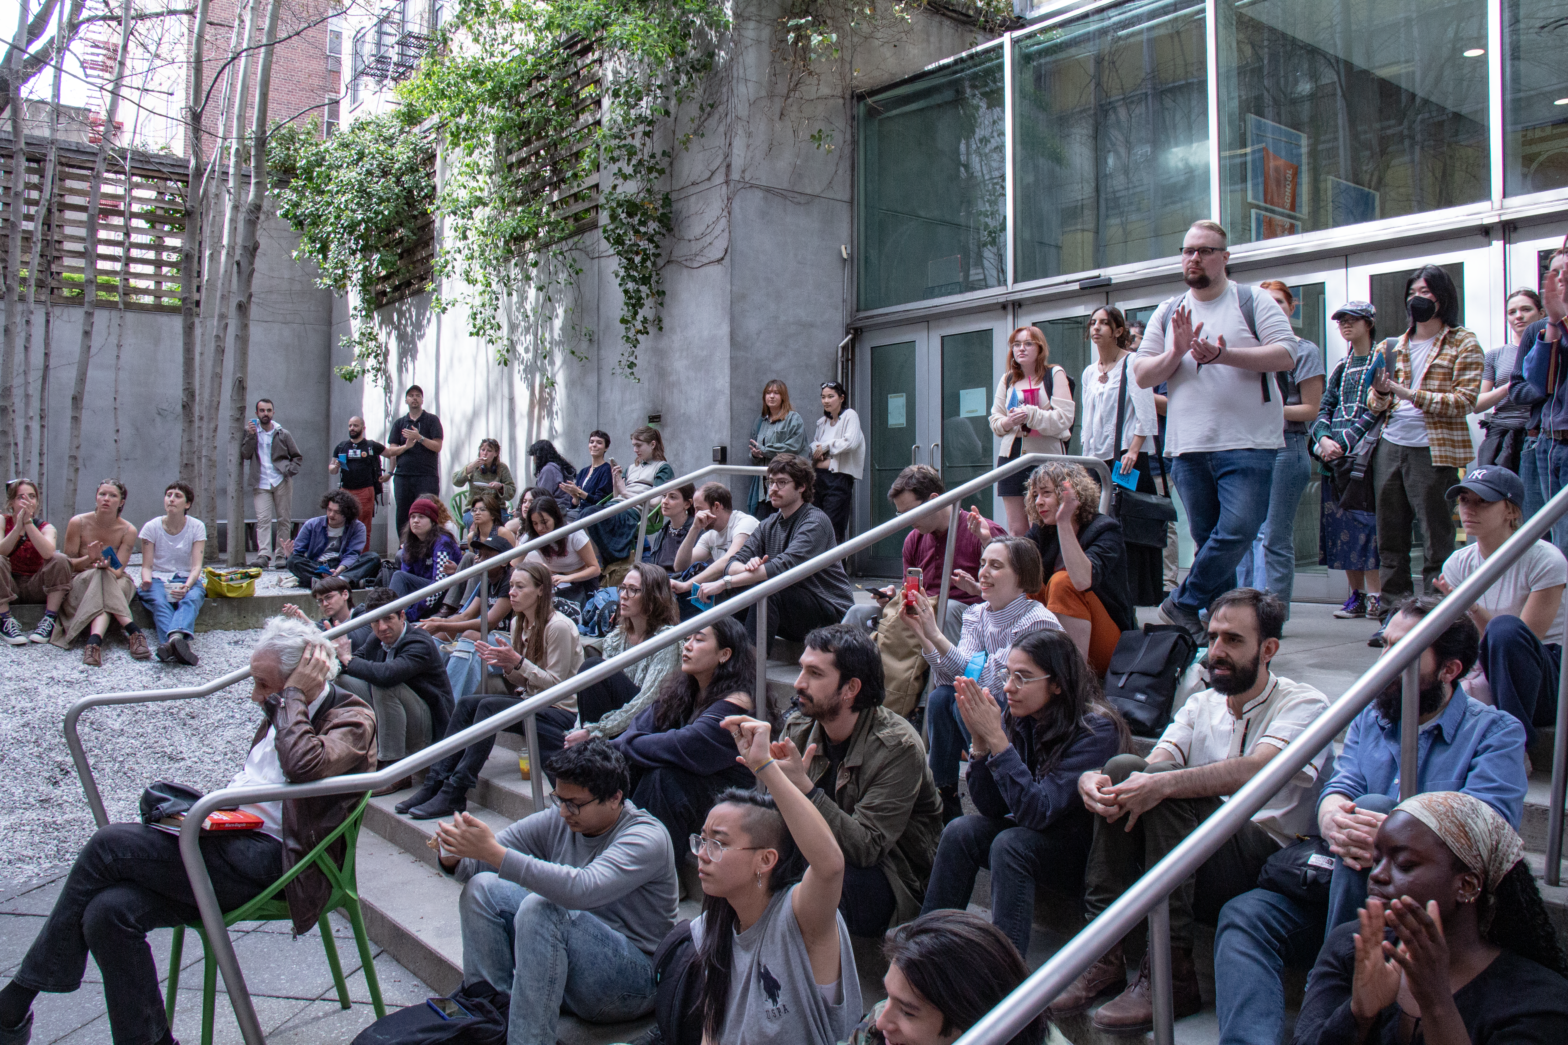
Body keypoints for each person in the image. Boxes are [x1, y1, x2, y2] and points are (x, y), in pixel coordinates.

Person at [0, 617, 374, 1045]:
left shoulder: (350, 717)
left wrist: (291, 698)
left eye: (264, 685)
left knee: (108, 846)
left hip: (282, 866)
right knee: (108, 912)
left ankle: (13, 1004)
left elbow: (302, 765)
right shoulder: (283, 704)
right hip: (232, 839)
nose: (257, 696)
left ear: (302, 678)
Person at [1211, 596, 1527, 1045]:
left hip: (1430, 907)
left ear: (1449, 670)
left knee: (1379, 808)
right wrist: (1332, 813)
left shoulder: (1495, 733)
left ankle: (1332, 1001)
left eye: (1402, 650)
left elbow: (1488, 831)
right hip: (1343, 882)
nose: (1384, 662)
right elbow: (1343, 782)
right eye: (1384, 645)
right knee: (1245, 915)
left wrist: (1395, 838)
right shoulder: (1372, 713)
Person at [1056, 589, 1329, 1032]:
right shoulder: (1202, 702)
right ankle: (1100, 950)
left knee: (1166, 791)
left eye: (1233, 641)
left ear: (1269, 649)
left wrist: (1160, 783)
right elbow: (1153, 765)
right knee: (1126, 767)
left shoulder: (1304, 704)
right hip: (1197, 856)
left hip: (1262, 862)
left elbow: (1258, 770)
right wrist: (1097, 781)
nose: (1216, 652)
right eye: (1214, 637)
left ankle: (1173, 968)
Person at [435, 739, 678, 1045]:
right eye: (558, 799)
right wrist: (454, 853)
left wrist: (494, 854)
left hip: (634, 981)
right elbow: (480, 865)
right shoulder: (561, 819)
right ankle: (489, 1020)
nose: (564, 812)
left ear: (615, 797)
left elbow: (581, 889)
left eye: (574, 803)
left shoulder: (646, 837)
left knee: (543, 909)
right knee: (483, 889)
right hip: (572, 961)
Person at [1132, 220, 1298, 644]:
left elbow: (1286, 354)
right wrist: (1177, 351)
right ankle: (1223, 637)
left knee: (1240, 529)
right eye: (1188, 250)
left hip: (1248, 443)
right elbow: (1142, 373)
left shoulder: (1253, 300)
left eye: (1205, 251)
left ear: (1225, 257)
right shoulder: (1168, 311)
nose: (1194, 258)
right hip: (1188, 447)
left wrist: (1223, 355)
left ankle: (1182, 604)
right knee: (1211, 545)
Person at [1292, 792, 1568, 1045]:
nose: (1377, 875)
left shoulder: (1538, 999)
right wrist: (1358, 1016)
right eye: (1376, 860)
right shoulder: (1351, 947)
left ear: (1467, 885)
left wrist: (1436, 1003)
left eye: (1405, 864)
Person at [920, 629, 1128, 957]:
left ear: (1057, 683)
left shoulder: (1097, 729)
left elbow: (1039, 812)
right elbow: (989, 807)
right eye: (1008, 674)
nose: (1007, 687)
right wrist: (979, 743)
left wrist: (998, 742)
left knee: (1010, 845)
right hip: (1038, 837)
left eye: (1023, 677)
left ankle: (1004, 975)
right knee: (961, 830)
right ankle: (926, 949)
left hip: (1083, 857)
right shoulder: (1023, 715)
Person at [687, 717, 862, 1045]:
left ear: (765, 860)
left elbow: (830, 865)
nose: (703, 854)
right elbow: (711, 1030)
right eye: (702, 840)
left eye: (719, 843)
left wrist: (765, 766)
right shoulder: (713, 926)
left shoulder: (798, 917)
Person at [773, 624, 943, 936]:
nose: (798, 683)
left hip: (890, 873)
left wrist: (804, 789)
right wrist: (762, 769)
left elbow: (867, 847)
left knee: (826, 882)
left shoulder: (898, 747)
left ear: (851, 688)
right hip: (822, 851)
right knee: (743, 849)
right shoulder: (799, 726)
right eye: (801, 670)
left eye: (815, 673)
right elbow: (776, 817)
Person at [401, 562, 584, 819]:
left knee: (488, 708)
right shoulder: (518, 623)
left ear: (541, 590)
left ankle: (456, 791)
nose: (512, 592)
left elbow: (558, 686)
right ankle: (435, 782)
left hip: (560, 710)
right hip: (532, 701)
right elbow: (525, 682)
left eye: (520, 587)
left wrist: (517, 662)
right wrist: (508, 667)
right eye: (511, 586)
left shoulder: (559, 627)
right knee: (467, 703)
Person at [907, 534, 1060, 823]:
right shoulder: (976, 614)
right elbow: (948, 678)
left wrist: (936, 635)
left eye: (996, 565)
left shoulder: (1036, 621)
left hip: (1031, 725)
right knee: (942, 697)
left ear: (1021, 575)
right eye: (982, 563)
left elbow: (990, 679)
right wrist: (922, 634)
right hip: (993, 706)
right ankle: (945, 798)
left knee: (964, 698)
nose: (983, 573)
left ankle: (997, 783)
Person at [1366, 264, 1483, 611]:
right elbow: (1374, 404)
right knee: (1390, 537)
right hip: (1391, 445)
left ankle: (1435, 615)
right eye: (1413, 293)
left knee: (1436, 538)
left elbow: (1465, 400)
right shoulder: (1390, 345)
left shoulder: (1463, 341)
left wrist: (1408, 393)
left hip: (1434, 450)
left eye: (1426, 293)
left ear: (1442, 298)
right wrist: (1383, 393)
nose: (1418, 299)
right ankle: (1392, 614)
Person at [1435, 465, 1565, 746]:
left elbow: (1524, 643)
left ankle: (1513, 744)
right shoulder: (1458, 563)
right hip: (1483, 668)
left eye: (1483, 502)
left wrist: (1469, 605)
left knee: (1506, 630)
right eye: (1465, 500)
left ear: (1512, 511)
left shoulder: (1546, 560)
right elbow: (1465, 642)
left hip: (1545, 675)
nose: (1469, 509)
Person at [612, 618, 757, 854]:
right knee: (630, 764)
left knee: (662, 777)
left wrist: (623, 744)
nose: (687, 645)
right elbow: (643, 723)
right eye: (687, 638)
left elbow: (686, 745)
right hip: (692, 788)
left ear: (725, 654)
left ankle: (655, 875)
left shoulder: (738, 703)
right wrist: (621, 746)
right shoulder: (686, 689)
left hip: (731, 798)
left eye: (699, 639)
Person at [699, 455, 854, 652]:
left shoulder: (816, 521)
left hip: (830, 612)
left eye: (781, 483)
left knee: (767, 588)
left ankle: (748, 670)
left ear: (801, 487)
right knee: (734, 590)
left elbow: (784, 567)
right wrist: (746, 568)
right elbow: (732, 562)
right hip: (792, 608)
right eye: (771, 482)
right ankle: (724, 657)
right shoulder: (769, 524)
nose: (773, 488)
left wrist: (725, 581)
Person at [1235, 281, 1325, 615]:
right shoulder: (1249, 351)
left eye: (1278, 302)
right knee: (1243, 534)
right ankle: (1242, 611)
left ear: (1292, 306)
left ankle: (1270, 614)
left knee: (1272, 535)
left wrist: (1263, 409)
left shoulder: (1304, 350)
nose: (1271, 308)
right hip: (1250, 447)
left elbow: (1311, 409)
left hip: (1287, 446)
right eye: (1264, 304)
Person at [841, 910, 1048, 1045]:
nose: (882, 1022)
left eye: (907, 1012)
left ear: (969, 1021)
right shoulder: (875, 1031)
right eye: (888, 995)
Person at [1004, 462, 1135, 674]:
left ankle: (1074, 681)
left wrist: (1065, 521)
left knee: (1062, 582)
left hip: (1111, 643)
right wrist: (986, 541)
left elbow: (1082, 580)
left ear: (1072, 493)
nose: (1038, 502)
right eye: (1035, 495)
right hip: (1060, 638)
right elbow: (1015, 564)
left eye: (1046, 493)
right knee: (1025, 582)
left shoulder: (1105, 529)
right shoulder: (1043, 531)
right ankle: (1025, 668)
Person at [850, 465, 1002, 644]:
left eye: (911, 513)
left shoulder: (983, 532)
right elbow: (911, 594)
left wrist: (985, 549)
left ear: (934, 500)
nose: (908, 521)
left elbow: (1009, 592)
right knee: (858, 614)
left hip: (968, 620)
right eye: (902, 515)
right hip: (922, 615)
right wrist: (895, 599)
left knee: (946, 610)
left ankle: (949, 671)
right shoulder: (913, 540)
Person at [1078, 305, 1162, 605]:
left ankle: (1132, 591)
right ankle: (1102, 587)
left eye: (1104, 323)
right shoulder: (1090, 373)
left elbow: (1146, 413)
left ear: (1118, 330)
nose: (1096, 328)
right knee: (1095, 524)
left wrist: (1135, 449)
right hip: (1094, 460)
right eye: (1093, 323)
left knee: (1127, 524)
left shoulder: (1133, 364)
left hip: (1125, 458)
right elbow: (1088, 419)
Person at [333, 586, 455, 789]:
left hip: (429, 729)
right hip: (398, 717)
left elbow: (386, 675)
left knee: (384, 685)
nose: (382, 628)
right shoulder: (376, 638)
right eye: (375, 621)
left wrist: (347, 658)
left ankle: (395, 769)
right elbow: (352, 666)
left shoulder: (419, 642)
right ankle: (362, 750)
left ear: (402, 616)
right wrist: (332, 658)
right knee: (342, 681)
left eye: (388, 618)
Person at [1311, 301, 1385, 622]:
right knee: (1340, 527)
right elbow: (1324, 407)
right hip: (1334, 461)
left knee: (1367, 527)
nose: (1344, 325)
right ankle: (1355, 595)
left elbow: (1377, 408)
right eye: (1341, 321)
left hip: (1364, 459)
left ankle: (1377, 597)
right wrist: (1324, 439)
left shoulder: (1380, 361)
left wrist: (1344, 441)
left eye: (1352, 320)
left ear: (1368, 323)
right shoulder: (1340, 367)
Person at [563, 562, 683, 743]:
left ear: (653, 597)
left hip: (649, 723)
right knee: (542, 720)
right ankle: (582, 752)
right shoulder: (615, 638)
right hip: (611, 720)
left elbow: (648, 701)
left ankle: (588, 753)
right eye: (622, 588)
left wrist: (596, 731)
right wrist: (579, 729)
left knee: (592, 667)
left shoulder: (666, 640)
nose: (623, 596)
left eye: (633, 590)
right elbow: (593, 694)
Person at [50, 479, 147, 664]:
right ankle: (134, 631)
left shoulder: (128, 529)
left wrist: (105, 566)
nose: (106, 499)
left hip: (115, 579)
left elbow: (118, 572)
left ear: (122, 502)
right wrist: (90, 558)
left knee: (104, 576)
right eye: (102, 494)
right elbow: (68, 565)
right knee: (99, 576)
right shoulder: (78, 522)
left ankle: (94, 642)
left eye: (112, 495)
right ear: (96, 497)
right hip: (82, 580)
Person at [991, 326, 1075, 535]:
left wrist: (1032, 414)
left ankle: (1049, 567)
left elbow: (1064, 418)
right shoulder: (1007, 379)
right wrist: (1009, 422)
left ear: (1040, 348)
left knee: (1045, 524)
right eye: (1016, 344)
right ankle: (1021, 567)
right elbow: (995, 419)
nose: (1022, 349)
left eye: (1028, 343)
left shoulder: (1054, 373)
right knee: (1017, 528)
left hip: (1046, 455)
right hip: (1011, 454)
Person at [1521, 246, 1568, 553]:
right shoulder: (1547, 327)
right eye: (1556, 272)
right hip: (1551, 445)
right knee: (1556, 544)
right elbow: (1539, 383)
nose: (1561, 279)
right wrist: (1552, 323)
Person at [136, 481, 207, 666]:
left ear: (187, 504)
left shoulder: (197, 526)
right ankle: (177, 643)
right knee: (160, 602)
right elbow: (146, 566)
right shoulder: (151, 527)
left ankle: (171, 641)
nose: (171, 499)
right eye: (168, 495)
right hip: (158, 577)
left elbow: (196, 566)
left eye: (177, 496)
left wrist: (187, 586)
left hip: (185, 577)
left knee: (191, 598)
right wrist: (146, 581)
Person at [1476, 289, 1544, 475]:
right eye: (1512, 312)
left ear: (1541, 313)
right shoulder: (1494, 356)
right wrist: (1512, 385)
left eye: (1526, 309)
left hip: (1539, 434)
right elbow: (1477, 404)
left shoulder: (1550, 351)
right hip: (1501, 437)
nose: (1518, 316)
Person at [0, 478, 71, 646]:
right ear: (11, 502)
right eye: (20, 497)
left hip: (37, 585)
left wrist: (28, 524)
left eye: (31, 497)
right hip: (8, 584)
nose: (27, 501)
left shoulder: (47, 527)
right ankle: (5, 620)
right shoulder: (2, 521)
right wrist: (18, 527)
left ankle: (49, 620)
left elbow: (48, 553)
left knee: (60, 559)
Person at [588, 426, 675, 562]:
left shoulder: (662, 468)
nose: (635, 450)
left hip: (636, 512)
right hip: (617, 507)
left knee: (592, 517)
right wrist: (616, 481)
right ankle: (601, 562)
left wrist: (625, 492)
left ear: (652, 444)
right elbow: (617, 497)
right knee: (586, 514)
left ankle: (611, 559)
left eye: (639, 446)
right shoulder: (631, 468)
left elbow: (654, 503)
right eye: (634, 446)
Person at [671, 482, 758, 612]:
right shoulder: (711, 534)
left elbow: (730, 560)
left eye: (699, 509)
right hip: (728, 595)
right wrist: (694, 528)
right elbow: (680, 566)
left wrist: (686, 586)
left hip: (753, 595)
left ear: (716, 506)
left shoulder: (745, 523)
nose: (696, 515)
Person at [240, 397, 304, 568]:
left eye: (268, 410)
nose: (265, 414)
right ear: (256, 413)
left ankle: (281, 555)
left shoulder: (282, 433)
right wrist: (251, 436)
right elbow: (245, 454)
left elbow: (297, 456)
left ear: (273, 412)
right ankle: (263, 555)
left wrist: (289, 470)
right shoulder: (251, 432)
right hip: (260, 482)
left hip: (281, 480)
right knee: (263, 519)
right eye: (262, 411)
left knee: (284, 519)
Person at [434, 492, 516, 616]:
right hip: (479, 576)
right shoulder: (472, 537)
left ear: (493, 515)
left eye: (482, 510)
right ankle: (449, 605)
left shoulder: (503, 533)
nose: (477, 513)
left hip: (498, 576)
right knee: (469, 557)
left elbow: (512, 562)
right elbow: (474, 559)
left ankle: (464, 608)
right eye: (474, 510)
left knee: (477, 563)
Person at [284, 491, 380, 589]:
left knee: (373, 557)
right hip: (317, 567)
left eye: (337, 512)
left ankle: (334, 580)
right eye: (329, 510)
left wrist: (338, 571)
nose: (331, 514)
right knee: (293, 561)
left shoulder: (358, 527)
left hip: (342, 566)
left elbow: (352, 554)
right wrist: (290, 555)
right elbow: (298, 552)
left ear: (346, 513)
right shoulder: (312, 524)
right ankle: (345, 582)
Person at [387, 497, 462, 621]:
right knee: (399, 576)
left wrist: (412, 614)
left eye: (421, 517)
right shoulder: (409, 543)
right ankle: (391, 615)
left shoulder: (443, 542)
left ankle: (391, 617)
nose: (415, 521)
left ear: (432, 521)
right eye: (413, 517)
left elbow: (439, 586)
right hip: (423, 595)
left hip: (444, 597)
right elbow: (407, 578)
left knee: (399, 577)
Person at [384, 384, 445, 533]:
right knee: (403, 513)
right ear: (406, 400)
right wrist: (390, 472)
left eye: (418, 395)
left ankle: (429, 546)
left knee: (428, 510)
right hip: (403, 476)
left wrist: (420, 438)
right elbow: (392, 451)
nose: (414, 398)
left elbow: (437, 446)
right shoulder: (399, 423)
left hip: (426, 476)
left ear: (422, 399)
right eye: (411, 396)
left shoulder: (431, 420)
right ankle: (404, 548)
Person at [524, 494, 602, 606]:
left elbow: (595, 569)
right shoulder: (532, 535)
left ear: (555, 518)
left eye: (544, 522)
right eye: (535, 523)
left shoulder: (574, 534)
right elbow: (514, 563)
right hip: (555, 583)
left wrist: (567, 578)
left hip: (582, 583)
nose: (540, 528)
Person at [811, 381, 864, 543]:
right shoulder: (822, 422)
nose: (826, 401)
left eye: (830, 396)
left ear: (841, 398)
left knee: (833, 526)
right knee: (815, 525)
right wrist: (817, 450)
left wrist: (825, 447)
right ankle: (817, 568)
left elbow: (851, 442)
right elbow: (813, 444)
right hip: (818, 478)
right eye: (823, 397)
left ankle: (835, 567)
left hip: (838, 478)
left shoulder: (850, 416)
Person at [748, 379, 808, 518]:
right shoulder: (760, 421)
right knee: (762, 529)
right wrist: (756, 454)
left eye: (776, 393)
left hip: (787, 485)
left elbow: (793, 447)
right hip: (764, 490)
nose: (772, 396)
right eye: (768, 393)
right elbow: (755, 451)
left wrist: (764, 450)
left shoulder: (793, 418)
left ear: (783, 397)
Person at [281, 574, 372, 649]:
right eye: (320, 601)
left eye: (329, 597)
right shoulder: (324, 624)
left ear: (345, 594)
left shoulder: (365, 614)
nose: (324, 604)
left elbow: (355, 641)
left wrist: (309, 623)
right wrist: (298, 624)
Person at [329, 415, 386, 529]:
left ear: (363, 428)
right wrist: (335, 467)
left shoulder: (371, 445)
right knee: (343, 522)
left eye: (355, 425)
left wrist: (390, 473)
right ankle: (345, 547)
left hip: (365, 490)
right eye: (350, 426)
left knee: (363, 525)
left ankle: (362, 548)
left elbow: (390, 453)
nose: (352, 428)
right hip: (346, 490)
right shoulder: (341, 446)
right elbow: (331, 468)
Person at [642, 483, 695, 573]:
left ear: (687, 504)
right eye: (664, 496)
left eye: (672, 497)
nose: (664, 501)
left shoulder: (696, 530)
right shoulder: (663, 531)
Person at [559, 430, 614, 516]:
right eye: (591, 442)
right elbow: (573, 504)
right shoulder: (583, 471)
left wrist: (579, 492)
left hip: (593, 514)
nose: (594, 445)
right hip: (579, 512)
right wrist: (575, 496)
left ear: (606, 448)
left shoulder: (607, 470)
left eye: (599, 443)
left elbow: (600, 501)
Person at [453, 438, 517, 511]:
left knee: (496, 521)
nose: (485, 453)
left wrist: (500, 487)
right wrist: (470, 468)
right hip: (473, 508)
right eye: (482, 450)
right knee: (476, 520)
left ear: (496, 453)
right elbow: (456, 482)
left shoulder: (502, 468)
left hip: (496, 509)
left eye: (489, 451)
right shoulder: (472, 466)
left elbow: (511, 491)